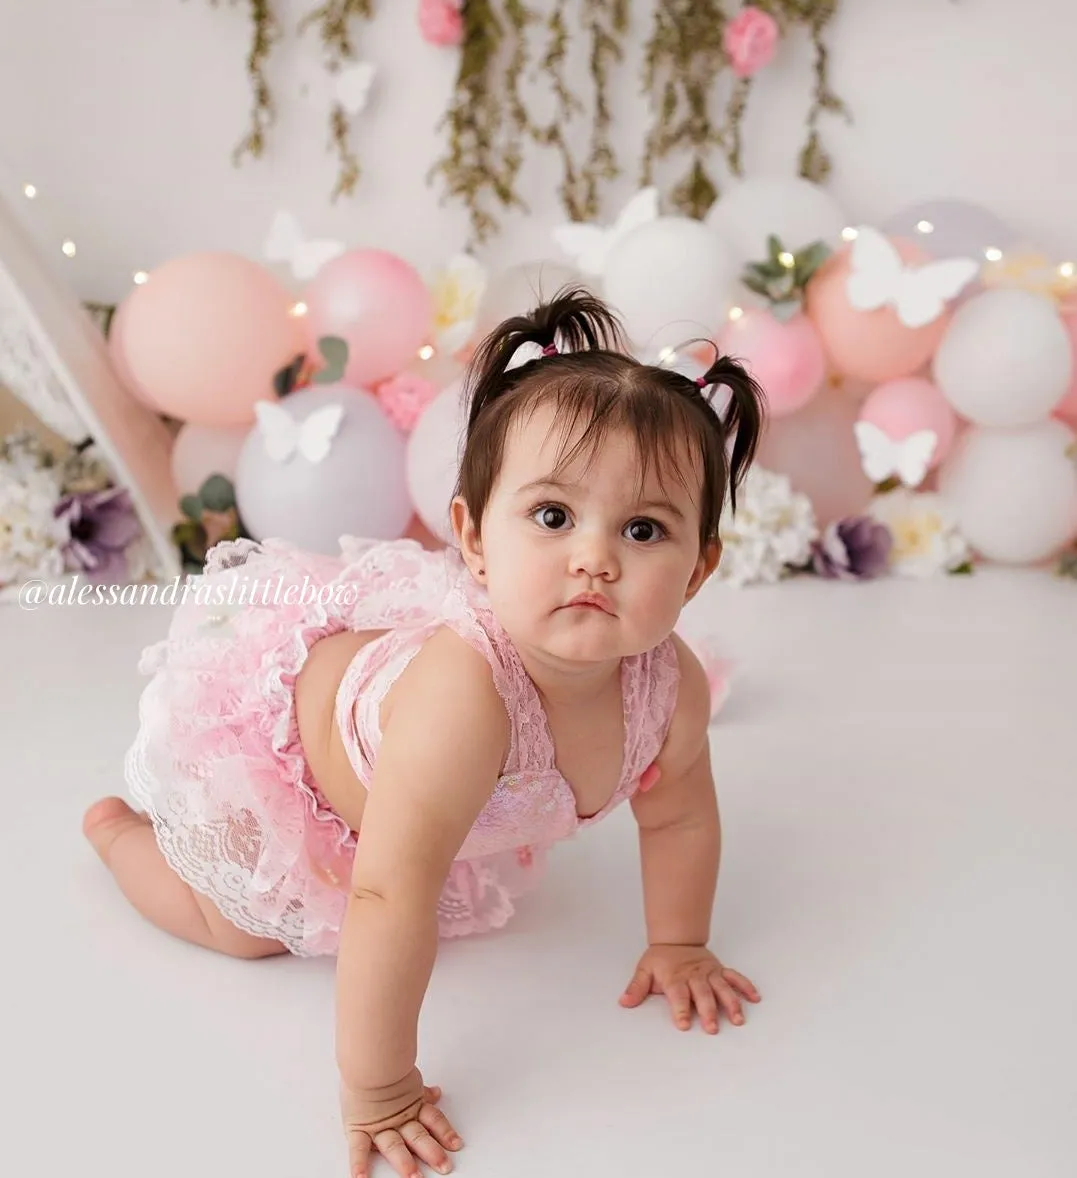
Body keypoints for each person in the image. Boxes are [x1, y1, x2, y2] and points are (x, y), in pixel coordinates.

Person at [84, 287, 766, 1178]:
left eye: (643, 529)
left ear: (699, 568)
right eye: (552, 517)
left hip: (425, 797)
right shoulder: (463, 700)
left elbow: (677, 816)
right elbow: (384, 897)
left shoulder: (667, 685)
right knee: (248, 928)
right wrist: (381, 1087)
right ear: (474, 539)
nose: (594, 558)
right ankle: (121, 836)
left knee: (431, 840)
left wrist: (677, 942)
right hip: (297, 759)